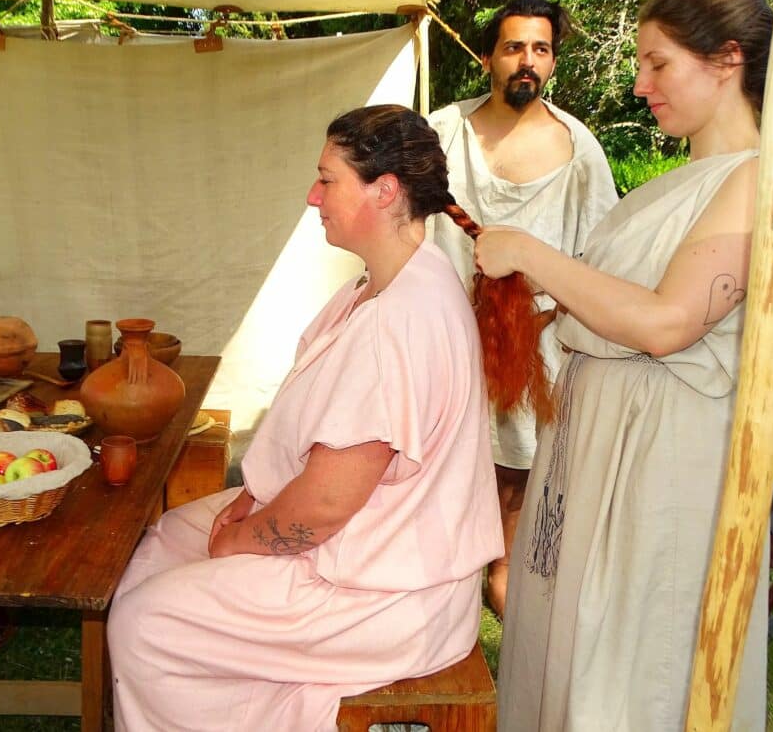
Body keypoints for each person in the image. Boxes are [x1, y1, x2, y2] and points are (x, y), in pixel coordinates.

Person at [477, 0, 773, 730]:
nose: (640, 84)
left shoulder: (763, 183)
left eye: (657, 63)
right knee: (571, 658)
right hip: (596, 457)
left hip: (660, 469)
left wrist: (531, 255)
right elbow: (615, 305)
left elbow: (668, 323)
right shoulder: (672, 187)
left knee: (633, 674)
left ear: (727, 59)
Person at [107, 105, 504, 732]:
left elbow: (324, 506)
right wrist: (254, 503)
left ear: (385, 190)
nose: (312, 195)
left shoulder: (401, 321)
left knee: (144, 624)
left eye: (327, 179)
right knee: (163, 542)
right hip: (371, 553)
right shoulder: (380, 287)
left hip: (386, 599)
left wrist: (243, 538)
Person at [429, 0, 618, 618]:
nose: (526, 61)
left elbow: (602, 260)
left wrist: (548, 316)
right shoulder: (441, 134)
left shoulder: (579, 149)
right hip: (446, 344)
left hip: (535, 354)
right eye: (513, 47)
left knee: (517, 484)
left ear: (554, 62)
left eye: (540, 49)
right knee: (442, 477)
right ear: (488, 57)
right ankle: (441, 594)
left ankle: (505, 584)